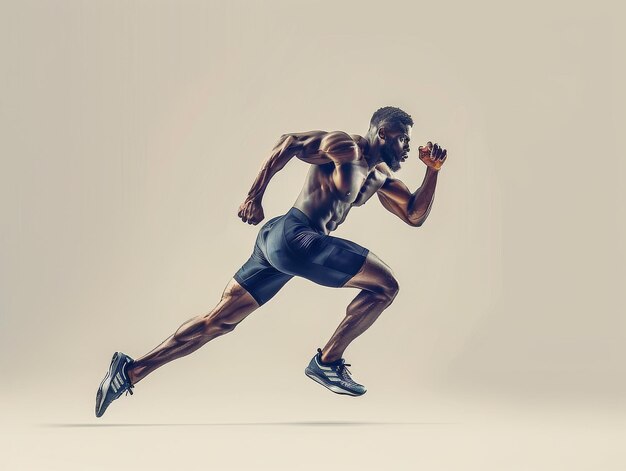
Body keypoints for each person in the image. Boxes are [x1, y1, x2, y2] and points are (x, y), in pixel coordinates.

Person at [95, 106, 448, 417]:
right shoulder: (347, 147)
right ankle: (327, 362)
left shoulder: (380, 177)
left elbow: (415, 215)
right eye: (403, 139)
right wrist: (253, 196)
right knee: (386, 286)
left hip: (279, 243)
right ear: (383, 133)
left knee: (217, 322)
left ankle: (129, 372)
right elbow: (290, 142)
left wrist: (432, 171)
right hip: (296, 235)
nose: (407, 148)